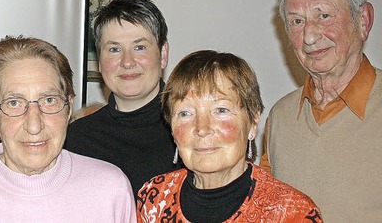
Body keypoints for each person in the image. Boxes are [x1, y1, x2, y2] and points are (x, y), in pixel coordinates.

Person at [0, 36, 135, 222]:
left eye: (49, 100)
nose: (34, 125)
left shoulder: (109, 189)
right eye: (14, 103)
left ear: (68, 108)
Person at [260, 0, 382, 221]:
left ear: (363, 21)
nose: (309, 37)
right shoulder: (280, 116)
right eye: (296, 21)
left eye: (323, 16)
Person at [138, 50, 323, 222]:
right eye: (185, 113)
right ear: (171, 127)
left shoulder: (293, 213)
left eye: (221, 110)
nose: (202, 128)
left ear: (252, 122)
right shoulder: (153, 197)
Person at [64, 0, 179, 193]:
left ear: (163, 55)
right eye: (114, 50)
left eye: (140, 47)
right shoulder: (76, 140)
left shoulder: (192, 131)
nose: (127, 62)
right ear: (99, 61)